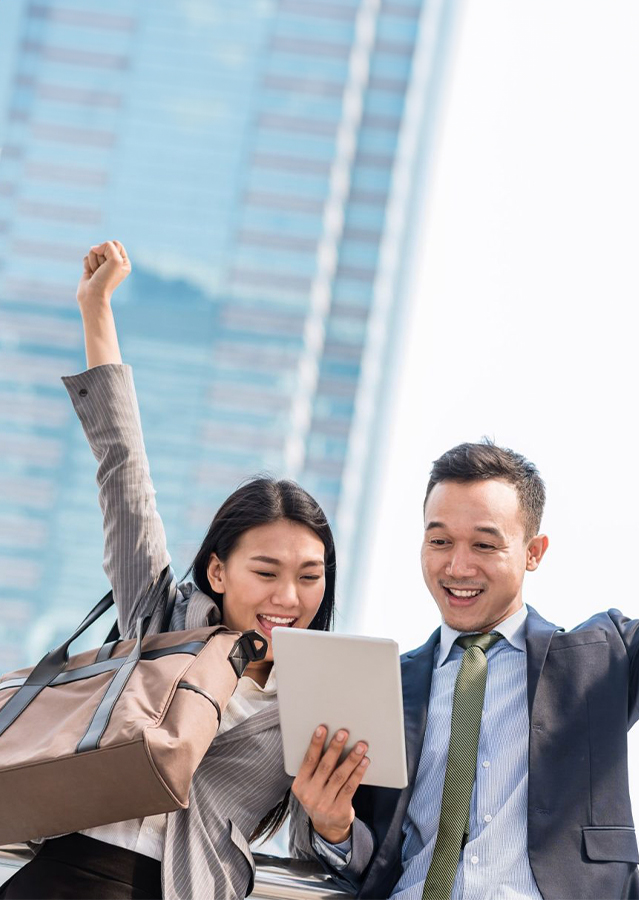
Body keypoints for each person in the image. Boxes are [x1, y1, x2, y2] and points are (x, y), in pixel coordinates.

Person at [291, 340, 639, 898]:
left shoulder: (601, 659)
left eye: (485, 544)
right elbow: (363, 861)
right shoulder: (382, 687)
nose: (457, 565)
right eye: (439, 540)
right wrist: (333, 827)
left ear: (534, 551)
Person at [0, 241, 369, 900]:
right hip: (65, 880)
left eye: (310, 576)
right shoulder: (162, 618)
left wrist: (334, 820)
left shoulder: (320, 698)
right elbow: (124, 467)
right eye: (266, 570)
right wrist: (96, 309)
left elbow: (335, 854)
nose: (290, 596)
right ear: (218, 572)